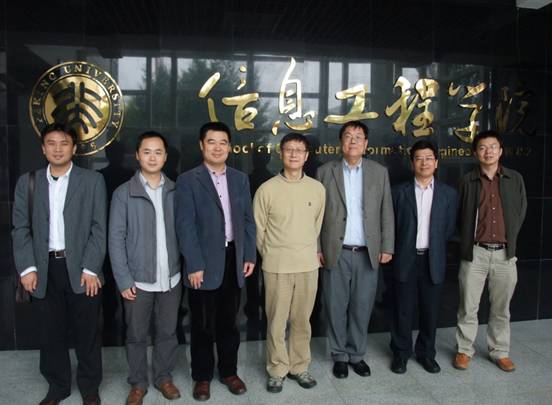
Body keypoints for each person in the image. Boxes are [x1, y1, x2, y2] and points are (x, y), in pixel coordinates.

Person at [12, 122, 107, 405]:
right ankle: (58, 386)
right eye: (51, 143)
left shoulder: (92, 181)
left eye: (64, 143)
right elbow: (20, 228)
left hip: (82, 268)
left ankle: (89, 387)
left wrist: (91, 268)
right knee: (50, 331)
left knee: (87, 331)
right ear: (43, 149)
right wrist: (27, 268)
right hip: (44, 268)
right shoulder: (28, 182)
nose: (57, 149)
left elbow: (99, 227)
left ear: (74, 148)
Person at [175, 122, 256, 401]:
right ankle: (202, 377)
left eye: (223, 142)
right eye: (212, 142)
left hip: (233, 258)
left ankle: (229, 372)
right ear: (202, 145)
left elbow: (247, 220)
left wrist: (249, 254)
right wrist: (194, 263)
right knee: (202, 325)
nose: (218, 147)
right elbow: (185, 226)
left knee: (229, 323)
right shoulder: (188, 180)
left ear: (230, 147)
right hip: (203, 262)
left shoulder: (240, 179)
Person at [316, 120, 394, 379]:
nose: (353, 141)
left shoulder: (379, 172)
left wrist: (387, 246)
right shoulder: (325, 172)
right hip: (335, 251)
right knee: (335, 307)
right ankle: (339, 355)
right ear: (341, 142)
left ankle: (357, 354)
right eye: (348, 136)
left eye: (358, 137)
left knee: (362, 307)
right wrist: (317, 247)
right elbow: (316, 215)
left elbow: (386, 211)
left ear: (366, 143)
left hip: (367, 252)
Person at [109, 132, 182, 405]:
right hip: (137, 281)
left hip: (171, 278)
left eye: (158, 152)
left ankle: (163, 377)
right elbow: (115, 239)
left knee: (167, 332)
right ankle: (138, 383)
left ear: (165, 156)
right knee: (136, 335)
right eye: (147, 152)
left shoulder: (176, 190)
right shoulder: (123, 193)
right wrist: (123, 279)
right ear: (138, 155)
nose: (153, 157)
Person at [253, 133, 325, 393]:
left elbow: (316, 226)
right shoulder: (266, 189)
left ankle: (299, 366)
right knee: (276, 321)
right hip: (277, 266)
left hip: (307, 265)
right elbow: (259, 230)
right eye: (289, 149)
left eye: (299, 150)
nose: (294, 154)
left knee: (302, 320)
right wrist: (272, 255)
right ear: (281, 153)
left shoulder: (317, 189)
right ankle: (277, 369)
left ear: (306, 156)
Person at [454, 130, 527, 372]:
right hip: (475, 253)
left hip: (505, 254)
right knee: (468, 306)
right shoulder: (467, 180)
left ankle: (500, 351)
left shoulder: (514, 179)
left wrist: (510, 238)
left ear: (500, 151)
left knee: (501, 309)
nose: (488, 152)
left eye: (493, 147)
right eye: (483, 147)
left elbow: (520, 211)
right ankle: (464, 350)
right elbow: (459, 215)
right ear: (476, 153)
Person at [389, 140, 458, 374]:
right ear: (412, 163)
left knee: (430, 311)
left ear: (436, 163)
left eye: (429, 158)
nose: (424, 163)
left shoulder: (449, 194)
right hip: (405, 258)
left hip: (433, 259)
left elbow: (449, 229)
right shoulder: (398, 192)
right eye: (419, 158)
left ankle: (426, 353)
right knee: (403, 310)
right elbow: (392, 225)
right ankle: (401, 354)